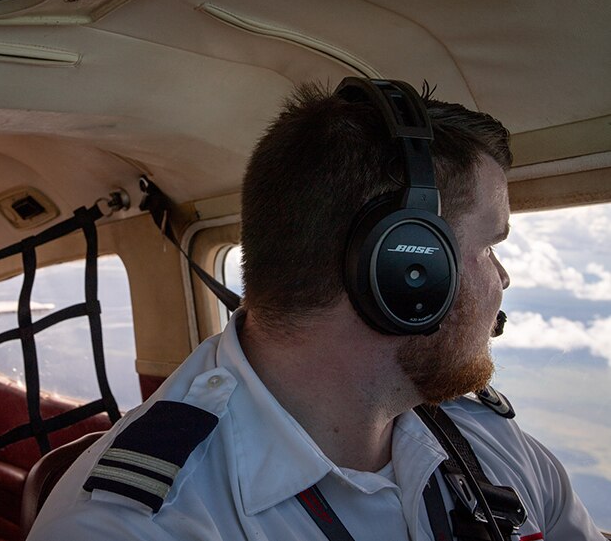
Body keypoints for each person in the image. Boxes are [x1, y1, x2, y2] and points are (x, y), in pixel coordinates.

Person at [30, 80, 597, 541]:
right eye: (489, 245)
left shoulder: (492, 445)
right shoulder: (136, 525)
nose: (503, 278)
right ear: (406, 269)